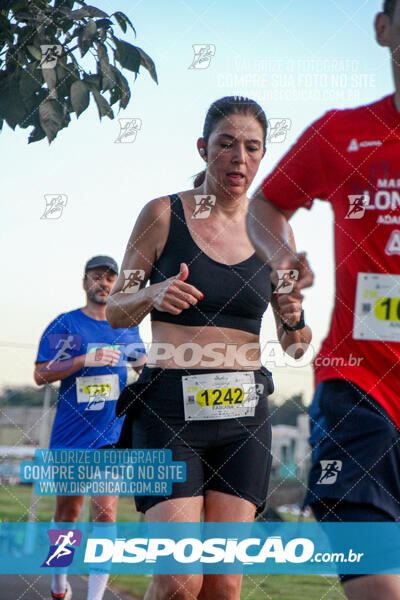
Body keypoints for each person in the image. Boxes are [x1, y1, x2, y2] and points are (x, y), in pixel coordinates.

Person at [106, 96, 312, 600]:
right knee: (180, 581)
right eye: (225, 144)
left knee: (222, 585)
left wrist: (294, 318)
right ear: (203, 148)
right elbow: (115, 308)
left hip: (244, 417)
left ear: (262, 156)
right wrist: (152, 293)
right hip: (168, 414)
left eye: (251, 147)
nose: (237, 157)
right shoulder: (162, 214)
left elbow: (298, 346)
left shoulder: (274, 232)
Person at [246, 2, 400, 598]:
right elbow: (265, 206)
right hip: (359, 390)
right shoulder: (341, 132)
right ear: (383, 29)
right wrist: (282, 256)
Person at [34, 255, 145, 600]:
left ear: (116, 286)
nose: (103, 283)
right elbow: (41, 374)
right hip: (71, 437)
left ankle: (94, 597)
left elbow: (145, 367)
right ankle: (58, 586)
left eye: (110, 279)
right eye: (97, 277)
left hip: (110, 437)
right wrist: (85, 360)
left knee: (106, 513)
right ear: (85, 282)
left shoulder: (126, 327)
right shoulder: (65, 325)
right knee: (68, 511)